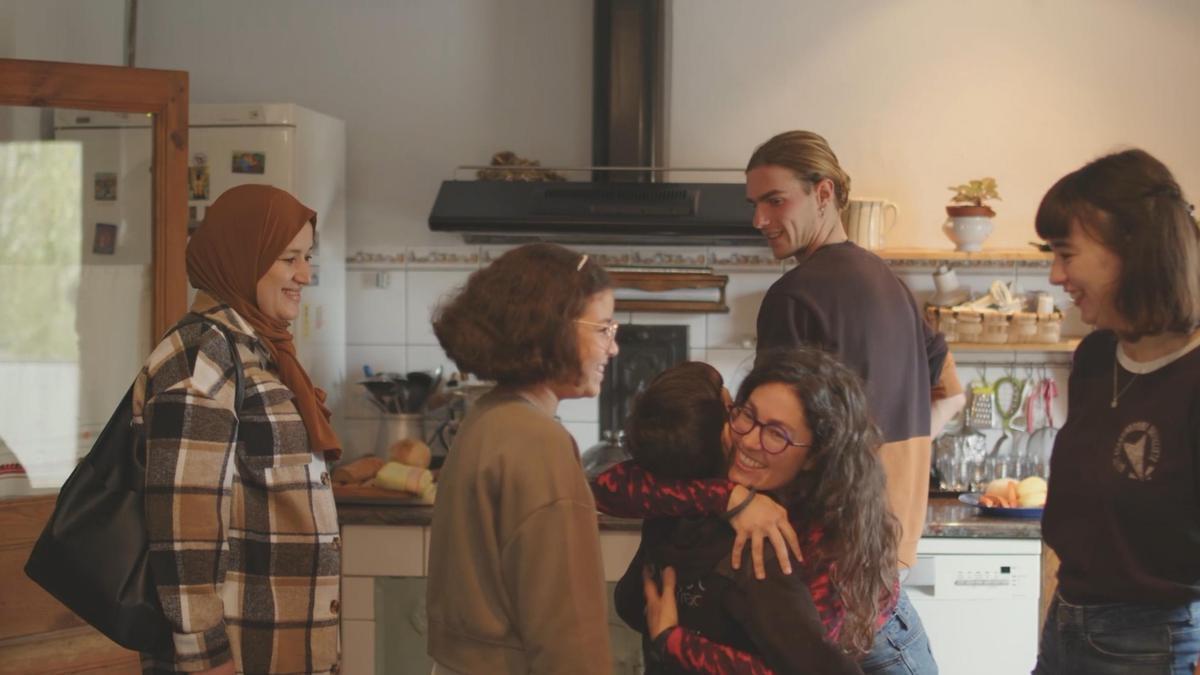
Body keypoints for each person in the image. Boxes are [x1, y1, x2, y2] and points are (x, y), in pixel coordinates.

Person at [137, 185, 342, 675]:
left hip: (280, 648)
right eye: (288, 257)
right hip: (238, 656)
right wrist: (205, 659)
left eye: (307, 257)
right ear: (241, 254)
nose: (304, 274)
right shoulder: (200, 355)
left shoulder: (256, 348)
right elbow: (182, 527)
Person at [1032, 149, 1200, 675]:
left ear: (1132, 249)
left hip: (1154, 644)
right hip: (1068, 626)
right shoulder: (1096, 356)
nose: (1057, 275)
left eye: (1067, 253)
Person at [426, 243, 618, 674]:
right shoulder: (539, 442)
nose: (613, 348)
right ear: (556, 330)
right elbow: (569, 633)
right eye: (603, 329)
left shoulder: (488, 417)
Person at [611, 358, 871, 674]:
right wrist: (727, 497)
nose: (747, 440)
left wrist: (675, 643)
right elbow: (605, 489)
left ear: (815, 455)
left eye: (777, 433)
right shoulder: (682, 498)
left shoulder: (789, 547)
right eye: (746, 414)